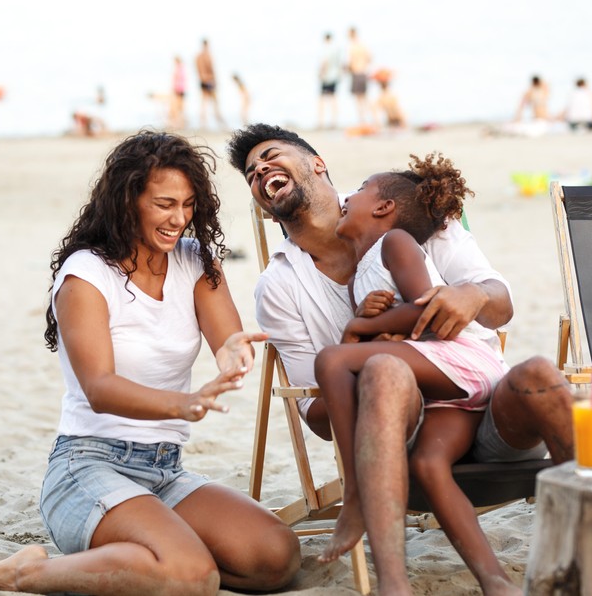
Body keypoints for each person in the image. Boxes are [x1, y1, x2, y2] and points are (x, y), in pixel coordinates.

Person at [227, 124, 573, 596]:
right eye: (251, 173)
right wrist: (368, 364)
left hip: (491, 408)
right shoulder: (279, 286)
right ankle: (395, 581)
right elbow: (317, 416)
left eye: (270, 155)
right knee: (384, 372)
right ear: (264, 209)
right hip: (406, 436)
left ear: (317, 163)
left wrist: (469, 295)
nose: (260, 170)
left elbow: (499, 305)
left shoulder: (409, 217)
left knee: (539, 373)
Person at [0, 131, 300, 595]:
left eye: (188, 204)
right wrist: (181, 404)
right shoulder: (85, 275)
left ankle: (151, 560)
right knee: (191, 576)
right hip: (87, 467)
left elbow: (228, 341)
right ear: (128, 201)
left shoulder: (195, 262)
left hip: (164, 470)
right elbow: (99, 388)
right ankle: (28, 571)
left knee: (275, 557)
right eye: (164, 204)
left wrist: (233, 357)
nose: (179, 219)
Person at [313, 156, 517, 595]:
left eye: (361, 188)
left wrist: (359, 328)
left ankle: (354, 499)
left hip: (458, 359)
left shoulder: (396, 243)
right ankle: (496, 582)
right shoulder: (360, 275)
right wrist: (370, 326)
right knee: (431, 467)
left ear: (385, 208)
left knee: (330, 360)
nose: (346, 197)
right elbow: (382, 346)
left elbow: (427, 310)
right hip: (446, 395)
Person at [195, 38, 226, 129]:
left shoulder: (198, 56)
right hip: (209, 80)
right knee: (215, 102)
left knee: (204, 102)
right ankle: (219, 121)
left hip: (202, 80)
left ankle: (203, 123)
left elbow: (198, 70)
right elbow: (211, 68)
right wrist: (215, 80)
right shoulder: (207, 55)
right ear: (207, 45)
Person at [347, 27, 372, 125]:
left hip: (356, 73)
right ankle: (369, 119)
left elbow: (350, 62)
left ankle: (362, 120)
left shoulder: (352, 46)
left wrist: (349, 69)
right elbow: (369, 58)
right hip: (364, 72)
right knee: (365, 98)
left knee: (358, 99)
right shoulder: (363, 45)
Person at [318, 32, 343, 129]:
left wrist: (321, 73)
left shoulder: (326, 49)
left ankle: (321, 122)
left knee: (322, 100)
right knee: (333, 98)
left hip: (327, 77)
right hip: (335, 76)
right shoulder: (336, 50)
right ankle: (334, 121)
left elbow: (325, 62)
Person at [170, 55, 187, 129]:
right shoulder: (182, 68)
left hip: (178, 89)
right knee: (181, 107)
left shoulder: (178, 68)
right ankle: (181, 123)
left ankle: (178, 123)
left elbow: (176, 79)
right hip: (182, 89)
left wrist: (173, 88)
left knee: (177, 107)